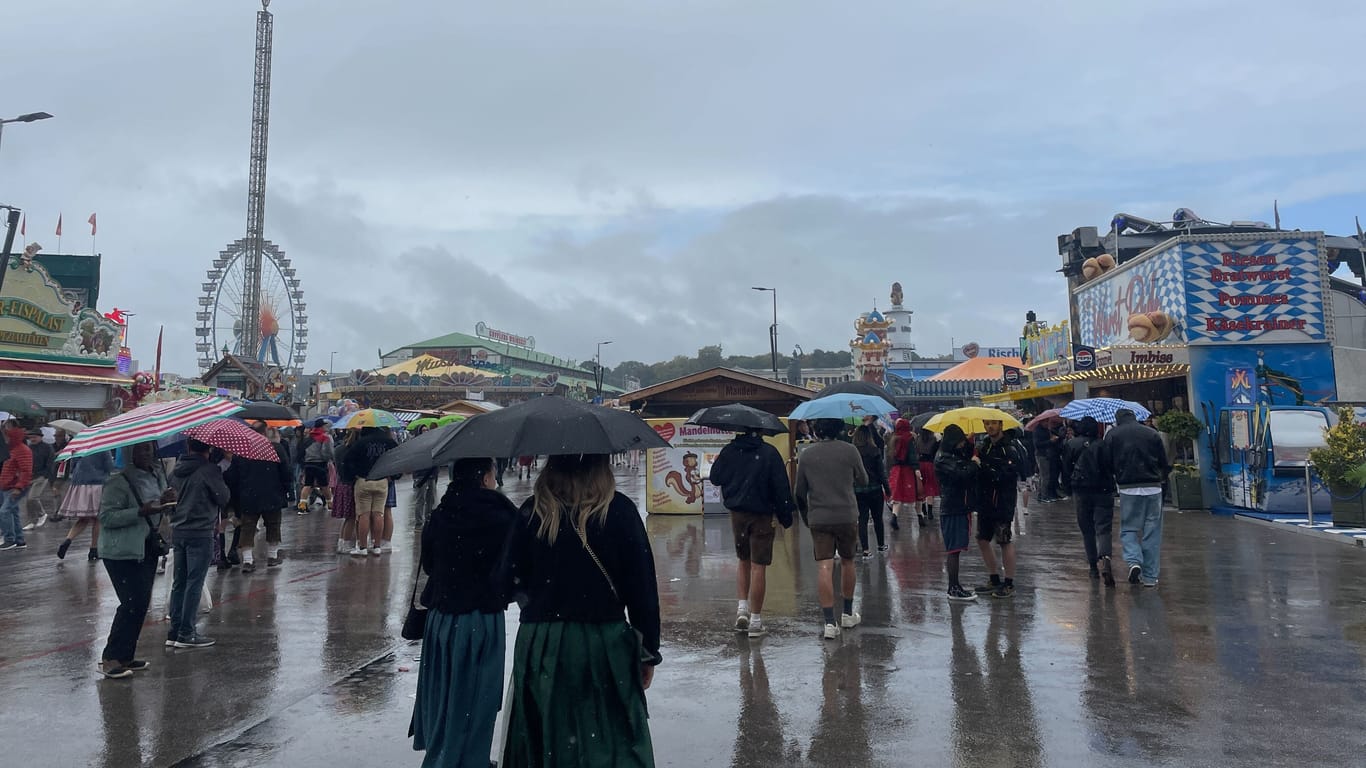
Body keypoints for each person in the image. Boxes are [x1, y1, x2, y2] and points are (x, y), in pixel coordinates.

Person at [499, 453, 660, 767]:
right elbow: (642, 589)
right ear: (602, 465)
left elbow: (506, 582)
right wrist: (648, 650)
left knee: (548, 735)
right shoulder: (620, 511)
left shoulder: (533, 512)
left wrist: (538, 595)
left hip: (541, 642)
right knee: (609, 736)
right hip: (603, 642)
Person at [409, 457, 518, 768]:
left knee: (443, 695)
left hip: (441, 619)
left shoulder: (441, 513)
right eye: (493, 473)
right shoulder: (500, 514)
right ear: (484, 476)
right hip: (481, 618)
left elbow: (429, 564)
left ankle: (442, 754)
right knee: (476, 698)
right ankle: (470, 760)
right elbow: (515, 565)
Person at [96, 441, 176, 678]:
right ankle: (110, 658)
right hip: (120, 551)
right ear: (130, 453)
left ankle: (126, 655)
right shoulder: (118, 482)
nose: (146, 454)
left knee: (141, 604)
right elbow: (107, 517)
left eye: (150, 449)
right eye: (141, 450)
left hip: (147, 547)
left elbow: (164, 508)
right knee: (130, 603)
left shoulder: (157, 475)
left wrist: (169, 501)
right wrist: (141, 511)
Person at [708, 428, 795, 638]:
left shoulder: (729, 451)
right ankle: (755, 620)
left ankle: (741, 610)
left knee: (743, 561)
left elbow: (715, 478)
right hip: (763, 516)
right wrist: (786, 517)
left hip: (737, 515)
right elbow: (781, 487)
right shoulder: (769, 453)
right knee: (759, 567)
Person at [794, 418, 868, 640]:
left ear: (817, 431)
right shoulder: (850, 450)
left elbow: (799, 491)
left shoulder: (807, 455)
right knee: (847, 561)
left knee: (824, 567)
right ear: (839, 429)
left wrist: (807, 517)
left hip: (819, 517)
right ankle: (847, 613)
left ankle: (829, 623)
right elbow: (863, 480)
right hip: (846, 515)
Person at [167, 438, 231, 648]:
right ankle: (187, 632)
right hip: (200, 530)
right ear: (209, 448)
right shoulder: (208, 470)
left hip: (178, 530)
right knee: (194, 581)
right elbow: (223, 497)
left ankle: (175, 631)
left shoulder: (176, 471)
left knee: (180, 582)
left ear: (188, 447)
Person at [1105, 408, 1170, 587]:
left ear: (1118, 420)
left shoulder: (1113, 435)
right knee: (1152, 531)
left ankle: (1134, 561)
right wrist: (1162, 477)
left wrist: (1115, 476)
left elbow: (1107, 462)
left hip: (1128, 488)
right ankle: (1150, 577)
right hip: (1153, 487)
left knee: (1129, 528)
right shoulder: (1151, 433)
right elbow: (1163, 460)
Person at [224, 421, 293, 573]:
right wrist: (286, 490)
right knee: (273, 525)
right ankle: (272, 556)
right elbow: (287, 472)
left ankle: (248, 561)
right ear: (264, 433)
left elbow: (232, 477)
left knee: (247, 528)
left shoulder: (242, 451)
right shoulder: (275, 449)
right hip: (272, 494)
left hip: (249, 496)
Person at [974, 418, 1029, 599]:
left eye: (993, 423)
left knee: (1004, 540)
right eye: (987, 423)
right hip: (984, 500)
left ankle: (1009, 582)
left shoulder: (1010, 447)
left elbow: (1008, 474)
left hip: (1003, 500)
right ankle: (994, 578)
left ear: (1001, 425)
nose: (990, 426)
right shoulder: (984, 446)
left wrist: (984, 467)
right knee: (982, 539)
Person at [1062, 416, 1116, 586]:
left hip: (1081, 490)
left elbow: (1065, 468)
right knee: (1103, 527)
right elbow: (1111, 467)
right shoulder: (1103, 444)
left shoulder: (1071, 444)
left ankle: (1093, 567)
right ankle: (1106, 557)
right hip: (1103, 490)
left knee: (1087, 530)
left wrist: (1067, 488)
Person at [933, 425, 978, 602]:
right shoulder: (943, 459)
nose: (961, 445)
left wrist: (968, 443)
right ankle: (953, 587)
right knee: (954, 549)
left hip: (957, 505)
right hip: (952, 507)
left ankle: (955, 585)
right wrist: (974, 464)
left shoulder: (948, 455)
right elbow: (961, 473)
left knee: (956, 549)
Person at [344, 426, 398, 556]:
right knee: (379, 514)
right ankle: (377, 546)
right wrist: (393, 476)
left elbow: (347, 460)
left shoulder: (361, 442)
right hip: (382, 481)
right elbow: (399, 458)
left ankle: (362, 547)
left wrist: (354, 476)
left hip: (364, 480)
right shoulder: (389, 442)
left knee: (364, 515)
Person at [56, 450, 116, 561]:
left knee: (83, 519)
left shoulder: (80, 447)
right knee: (98, 519)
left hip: (79, 483)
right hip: (97, 484)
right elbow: (109, 467)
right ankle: (94, 549)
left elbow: (73, 466)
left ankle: (68, 539)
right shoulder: (103, 448)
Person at [851, 424, 889, 557]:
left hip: (858, 489)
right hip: (875, 489)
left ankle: (866, 550)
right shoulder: (874, 450)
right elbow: (881, 472)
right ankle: (881, 545)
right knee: (878, 518)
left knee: (862, 518)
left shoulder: (852, 452)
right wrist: (888, 489)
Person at [0, 420, 34, 551]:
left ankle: (10, 539)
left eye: (7, 427)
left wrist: (19, 487)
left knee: (4, 511)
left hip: (15, 486)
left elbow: (26, 470)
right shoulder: (10, 449)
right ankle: (19, 540)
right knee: (12, 512)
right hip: (7, 485)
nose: (5, 430)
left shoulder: (22, 449)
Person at [884, 418, 920, 530]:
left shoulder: (893, 439)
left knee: (897, 494)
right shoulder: (909, 439)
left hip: (895, 469)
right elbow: (912, 455)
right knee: (917, 493)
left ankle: (894, 516)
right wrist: (916, 468)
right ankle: (920, 516)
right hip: (907, 469)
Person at [22, 430, 55, 530]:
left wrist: (45, 475)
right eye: (31, 437)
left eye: (35, 437)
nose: (32, 439)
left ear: (40, 437)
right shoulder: (29, 448)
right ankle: (32, 521)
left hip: (42, 476)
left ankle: (42, 514)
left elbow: (50, 463)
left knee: (33, 497)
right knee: (28, 501)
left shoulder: (47, 448)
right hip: (30, 476)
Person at [299, 419, 334, 512]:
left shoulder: (308, 437)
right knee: (324, 485)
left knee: (308, 484)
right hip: (320, 464)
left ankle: (302, 504)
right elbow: (326, 452)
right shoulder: (325, 437)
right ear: (322, 427)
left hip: (308, 463)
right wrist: (328, 459)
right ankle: (330, 503)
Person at [332, 431, 359, 554]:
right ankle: (346, 544)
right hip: (351, 485)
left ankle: (342, 543)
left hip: (341, 484)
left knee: (348, 518)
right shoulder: (353, 450)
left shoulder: (338, 449)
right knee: (352, 517)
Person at [1031, 420, 1062, 503]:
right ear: (1041, 422)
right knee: (1045, 476)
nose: (1047, 424)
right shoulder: (1037, 431)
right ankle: (1044, 496)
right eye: (1045, 422)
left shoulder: (1047, 430)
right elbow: (1037, 444)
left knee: (1043, 476)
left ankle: (1041, 495)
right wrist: (1050, 441)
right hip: (1042, 455)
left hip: (1046, 454)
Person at [915, 426, 940, 523]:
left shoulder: (918, 439)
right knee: (930, 487)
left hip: (920, 465)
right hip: (930, 465)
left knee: (922, 487)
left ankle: (924, 509)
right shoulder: (934, 439)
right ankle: (930, 511)